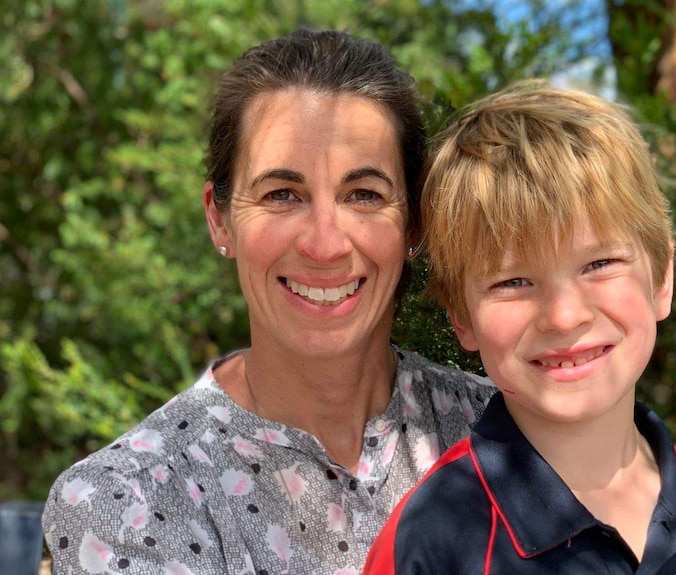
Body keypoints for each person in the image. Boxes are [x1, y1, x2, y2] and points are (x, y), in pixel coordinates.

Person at [42, 29, 493, 574]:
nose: (325, 244)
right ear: (219, 218)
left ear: (412, 224)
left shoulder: (504, 433)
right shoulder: (123, 506)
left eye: (364, 195)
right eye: (282, 194)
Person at [363, 82, 676, 574]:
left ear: (662, 279)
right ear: (462, 316)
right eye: (513, 280)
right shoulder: (431, 542)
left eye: (600, 263)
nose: (565, 316)